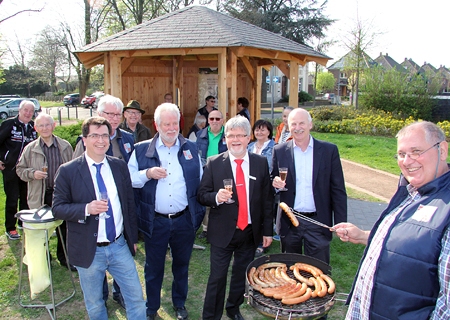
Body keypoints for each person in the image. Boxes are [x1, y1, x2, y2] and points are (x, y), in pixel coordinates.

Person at [333, 121, 450, 320]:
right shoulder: (410, 191)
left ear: (442, 150)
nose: (407, 161)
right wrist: (363, 236)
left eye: (416, 151)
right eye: (401, 154)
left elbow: (446, 307)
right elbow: (412, 244)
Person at [52, 117, 146, 320]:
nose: (101, 140)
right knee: (95, 305)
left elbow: (129, 204)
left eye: (105, 135)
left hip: (119, 245)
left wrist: (132, 238)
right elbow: (57, 209)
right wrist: (86, 208)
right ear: (84, 139)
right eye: (95, 135)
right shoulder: (68, 171)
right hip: (89, 248)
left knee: (136, 298)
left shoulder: (119, 166)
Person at [128, 103, 205, 320]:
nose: (171, 128)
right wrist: (148, 173)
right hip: (156, 221)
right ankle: (151, 308)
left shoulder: (190, 147)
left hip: (183, 221)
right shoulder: (141, 149)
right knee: (154, 268)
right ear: (157, 125)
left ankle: (179, 304)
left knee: (181, 266)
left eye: (175, 123)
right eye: (166, 124)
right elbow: (129, 179)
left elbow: (199, 179)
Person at [197, 115, 273, 320]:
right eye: (231, 135)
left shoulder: (260, 162)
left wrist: (268, 231)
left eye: (241, 135)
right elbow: (202, 195)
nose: (236, 139)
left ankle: (233, 308)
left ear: (249, 138)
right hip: (222, 232)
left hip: (249, 232)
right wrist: (216, 197)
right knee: (217, 277)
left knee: (241, 275)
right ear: (225, 138)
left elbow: (267, 199)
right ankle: (211, 316)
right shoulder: (214, 163)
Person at [73, 94, 133, 309]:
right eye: (109, 113)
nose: (114, 118)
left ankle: (120, 293)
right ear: (99, 113)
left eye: (117, 114)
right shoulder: (88, 139)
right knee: (96, 266)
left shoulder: (127, 138)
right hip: (93, 219)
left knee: (120, 258)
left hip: (119, 209)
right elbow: (75, 177)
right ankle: (101, 295)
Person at [272, 108, 347, 264]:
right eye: (293, 124)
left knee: (318, 272)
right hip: (290, 221)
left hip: (318, 222)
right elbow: (272, 180)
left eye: (302, 123)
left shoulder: (328, 151)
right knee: (290, 272)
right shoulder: (279, 151)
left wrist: (341, 223)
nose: (298, 127)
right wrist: (275, 183)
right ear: (288, 126)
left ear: (310, 125)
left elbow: (338, 189)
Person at [16, 113, 75, 270]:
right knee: (41, 228)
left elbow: (73, 169)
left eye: (47, 124)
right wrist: (32, 173)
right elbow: (20, 170)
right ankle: (44, 259)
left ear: (53, 125)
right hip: (39, 194)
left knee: (64, 226)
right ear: (36, 128)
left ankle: (65, 258)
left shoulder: (65, 146)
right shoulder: (30, 149)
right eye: (41, 125)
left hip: (60, 193)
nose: (45, 128)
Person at [0, 100, 37, 240]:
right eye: (25, 110)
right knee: (12, 199)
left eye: (31, 111)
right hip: (11, 169)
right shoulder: (9, 124)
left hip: (27, 169)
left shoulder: (33, 127)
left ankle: (24, 222)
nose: (28, 113)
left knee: (26, 198)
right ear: (19, 110)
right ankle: (10, 228)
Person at [196, 110, 228, 239]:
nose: (214, 121)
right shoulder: (200, 134)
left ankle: (222, 227)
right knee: (207, 199)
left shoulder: (228, 134)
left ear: (222, 120)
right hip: (205, 170)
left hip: (223, 170)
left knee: (223, 198)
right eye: (212, 119)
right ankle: (205, 228)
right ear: (208, 120)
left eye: (217, 119)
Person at [247, 119, 276, 257]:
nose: (259, 132)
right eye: (257, 129)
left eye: (262, 129)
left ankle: (261, 242)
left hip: (266, 186)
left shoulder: (275, 148)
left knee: (264, 214)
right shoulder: (249, 146)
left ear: (269, 132)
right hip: (249, 186)